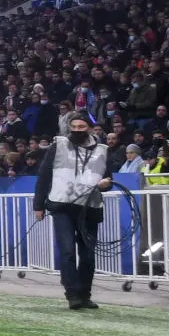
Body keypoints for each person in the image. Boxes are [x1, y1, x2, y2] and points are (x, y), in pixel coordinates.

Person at [32, 112, 114, 309]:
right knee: (67, 251)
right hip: (62, 205)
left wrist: (106, 184)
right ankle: (72, 294)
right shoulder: (58, 145)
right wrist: (38, 205)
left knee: (88, 255)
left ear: (90, 128)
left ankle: (85, 294)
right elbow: (43, 176)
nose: (77, 130)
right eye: (74, 127)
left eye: (81, 127)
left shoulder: (103, 150)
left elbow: (109, 178)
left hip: (90, 207)